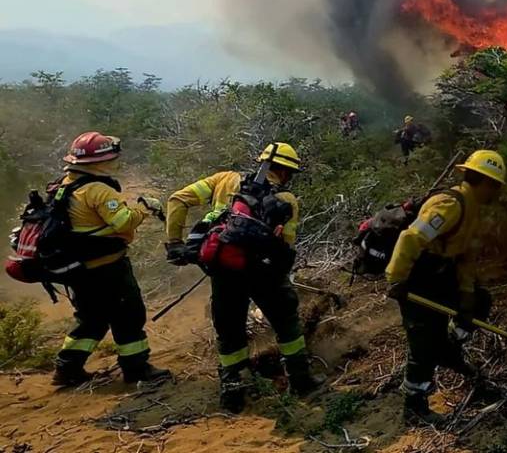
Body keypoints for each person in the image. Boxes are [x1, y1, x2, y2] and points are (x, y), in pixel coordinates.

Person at [164, 142, 318, 413]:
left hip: (224, 271)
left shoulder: (224, 179)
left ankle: (232, 392)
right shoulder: (287, 201)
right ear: (284, 171)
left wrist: (175, 243)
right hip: (264, 273)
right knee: (287, 324)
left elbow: (177, 199)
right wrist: (281, 284)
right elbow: (287, 248)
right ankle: (301, 380)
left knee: (229, 330)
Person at [385, 150, 506, 423]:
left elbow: (465, 258)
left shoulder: (473, 209)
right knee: (423, 343)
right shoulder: (450, 205)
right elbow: (410, 238)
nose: (496, 192)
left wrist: (466, 297)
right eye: (494, 185)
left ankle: (448, 348)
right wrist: (397, 279)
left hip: (441, 276)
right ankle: (414, 407)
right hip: (417, 278)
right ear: (482, 181)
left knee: (480, 302)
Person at [52, 131, 171, 387]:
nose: (115, 162)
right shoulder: (97, 190)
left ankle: (67, 368)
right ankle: (137, 370)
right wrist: (144, 209)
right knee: (128, 315)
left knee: (91, 319)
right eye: (111, 157)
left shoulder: (66, 184)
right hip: (107, 269)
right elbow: (123, 222)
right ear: (100, 161)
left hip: (81, 271)